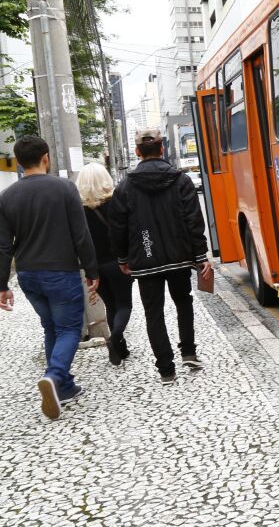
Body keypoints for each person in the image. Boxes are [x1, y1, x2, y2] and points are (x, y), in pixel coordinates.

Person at [0, 136, 99, 420]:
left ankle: (65, 388)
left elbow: (3, 246)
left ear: (19, 162)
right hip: (60, 271)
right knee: (68, 329)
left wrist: (2, 285)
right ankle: (54, 377)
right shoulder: (64, 188)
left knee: (50, 328)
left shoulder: (6, 197)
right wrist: (92, 271)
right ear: (46, 157)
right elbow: (81, 235)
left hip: (29, 274)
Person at [109, 128, 211, 384]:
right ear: (162, 148)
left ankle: (166, 369)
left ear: (137, 152)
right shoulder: (180, 180)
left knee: (153, 313)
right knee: (183, 302)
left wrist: (122, 258)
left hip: (145, 259)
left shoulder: (125, 187)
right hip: (179, 257)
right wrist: (200, 256)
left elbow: (118, 227)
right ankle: (188, 351)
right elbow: (194, 221)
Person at [77, 162, 134, 366]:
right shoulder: (116, 203)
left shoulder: (79, 211)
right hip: (119, 263)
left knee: (111, 305)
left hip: (95, 267)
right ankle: (115, 337)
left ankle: (121, 349)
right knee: (124, 304)